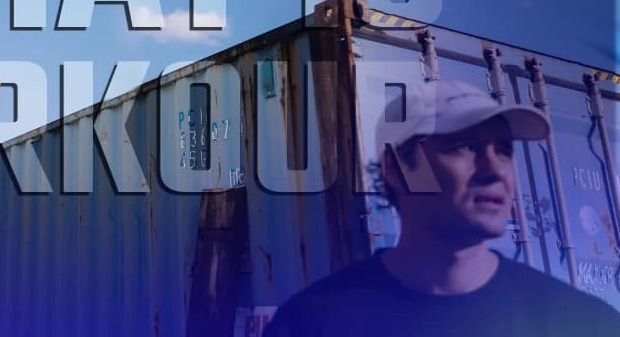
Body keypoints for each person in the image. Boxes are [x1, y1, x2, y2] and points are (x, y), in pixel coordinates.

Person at [263, 80, 620, 336]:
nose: (495, 169)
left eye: (504, 150)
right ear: (397, 168)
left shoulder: (585, 323)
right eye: (464, 146)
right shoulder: (312, 323)